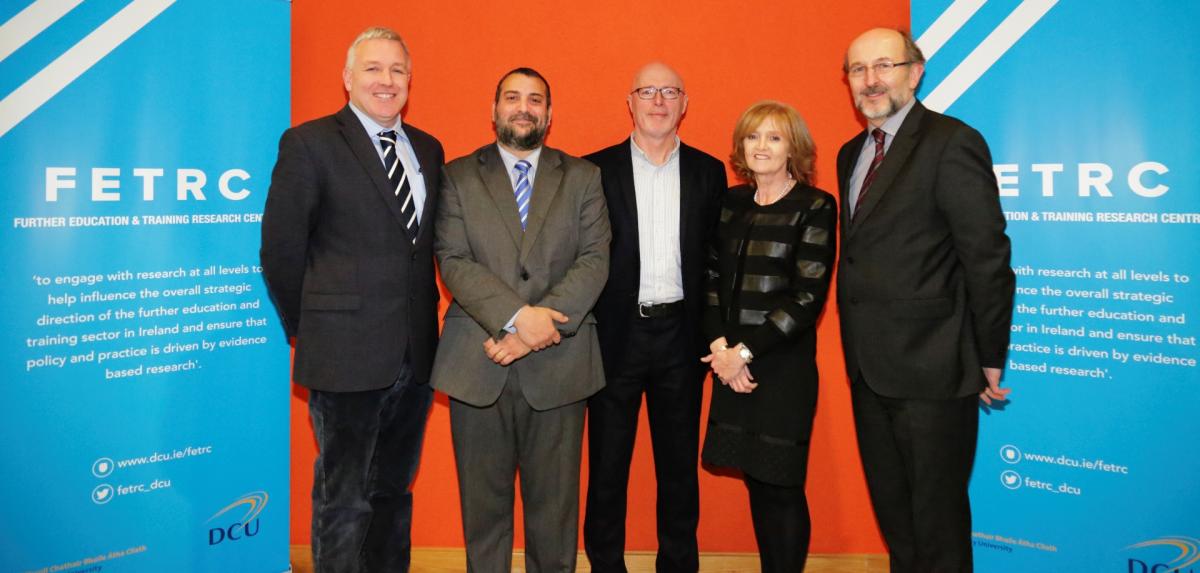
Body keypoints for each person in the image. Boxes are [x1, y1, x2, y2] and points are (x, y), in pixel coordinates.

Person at [260, 26, 443, 573]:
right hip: (342, 354)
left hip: (415, 356)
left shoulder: (429, 149)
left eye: (397, 70)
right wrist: (310, 326)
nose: (386, 81)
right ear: (347, 78)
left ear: (410, 81)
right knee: (343, 498)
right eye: (373, 68)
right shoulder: (309, 142)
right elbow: (281, 249)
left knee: (392, 491)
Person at [836, 28, 1015, 572]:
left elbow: (986, 258)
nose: (871, 80)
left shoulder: (952, 141)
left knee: (937, 529)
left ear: (915, 72)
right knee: (898, 524)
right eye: (858, 70)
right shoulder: (851, 153)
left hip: (935, 372)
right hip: (869, 371)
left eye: (884, 65)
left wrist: (988, 357)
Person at [432, 67, 611, 573]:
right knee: (483, 513)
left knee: (554, 516)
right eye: (513, 97)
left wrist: (533, 335)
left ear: (549, 114)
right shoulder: (457, 176)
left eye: (535, 99)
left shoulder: (582, 178)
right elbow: (453, 259)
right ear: (494, 110)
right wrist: (516, 320)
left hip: (560, 366)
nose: (524, 107)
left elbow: (596, 259)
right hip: (477, 365)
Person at [582, 62, 726, 573]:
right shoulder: (593, 170)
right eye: (648, 91)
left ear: (685, 103)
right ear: (630, 101)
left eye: (670, 92)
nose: (659, 101)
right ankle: (605, 565)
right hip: (614, 336)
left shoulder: (710, 172)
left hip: (682, 339)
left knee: (679, 470)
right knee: (605, 469)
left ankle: (678, 564)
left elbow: (715, 260)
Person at [700, 101, 837, 572]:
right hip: (730, 366)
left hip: (780, 370)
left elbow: (807, 296)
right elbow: (711, 279)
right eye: (753, 136)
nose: (762, 146)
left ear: (793, 148)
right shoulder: (731, 203)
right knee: (755, 479)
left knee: (781, 486)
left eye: (774, 137)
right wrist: (720, 347)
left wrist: (744, 352)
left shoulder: (815, 206)